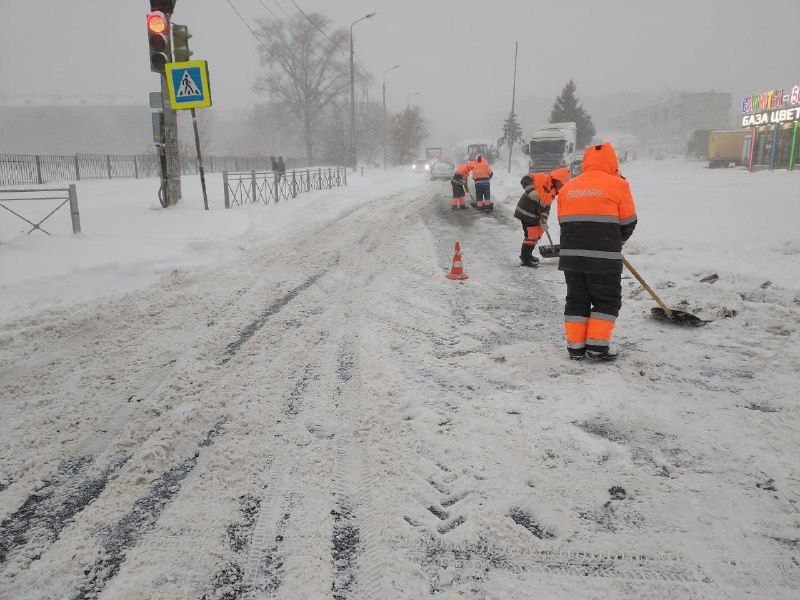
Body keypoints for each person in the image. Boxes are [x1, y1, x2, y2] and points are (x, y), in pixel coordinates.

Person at [556, 142, 637, 361]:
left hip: (571, 257)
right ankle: (596, 348)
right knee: (607, 301)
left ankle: (575, 348)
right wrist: (613, 241)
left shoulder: (568, 187)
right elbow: (629, 221)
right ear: (613, 162)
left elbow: (563, 220)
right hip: (603, 257)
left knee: (577, 299)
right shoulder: (618, 184)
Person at [515, 167, 570, 267]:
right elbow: (525, 179)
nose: (562, 186)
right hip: (526, 212)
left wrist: (544, 219)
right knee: (531, 236)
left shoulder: (553, 191)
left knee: (538, 233)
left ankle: (528, 254)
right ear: (558, 179)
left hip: (536, 215)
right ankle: (525, 258)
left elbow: (547, 207)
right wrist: (531, 191)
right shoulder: (543, 178)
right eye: (562, 183)